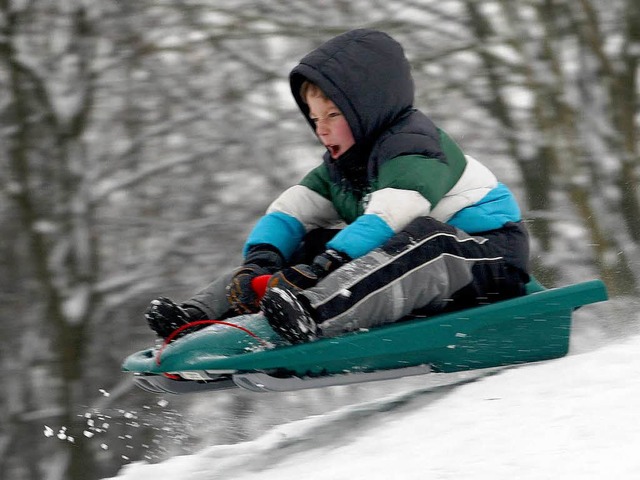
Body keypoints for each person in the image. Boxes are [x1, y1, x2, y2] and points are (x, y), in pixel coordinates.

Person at [145, 28, 530, 345]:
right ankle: (198, 317)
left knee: (426, 240)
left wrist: (325, 267)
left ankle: (310, 313)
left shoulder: (415, 145)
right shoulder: (342, 166)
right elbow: (292, 210)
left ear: (368, 112)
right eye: (314, 118)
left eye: (333, 114)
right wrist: (259, 262)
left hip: (487, 255)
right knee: (303, 244)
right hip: (412, 259)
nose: (321, 128)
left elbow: (390, 217)